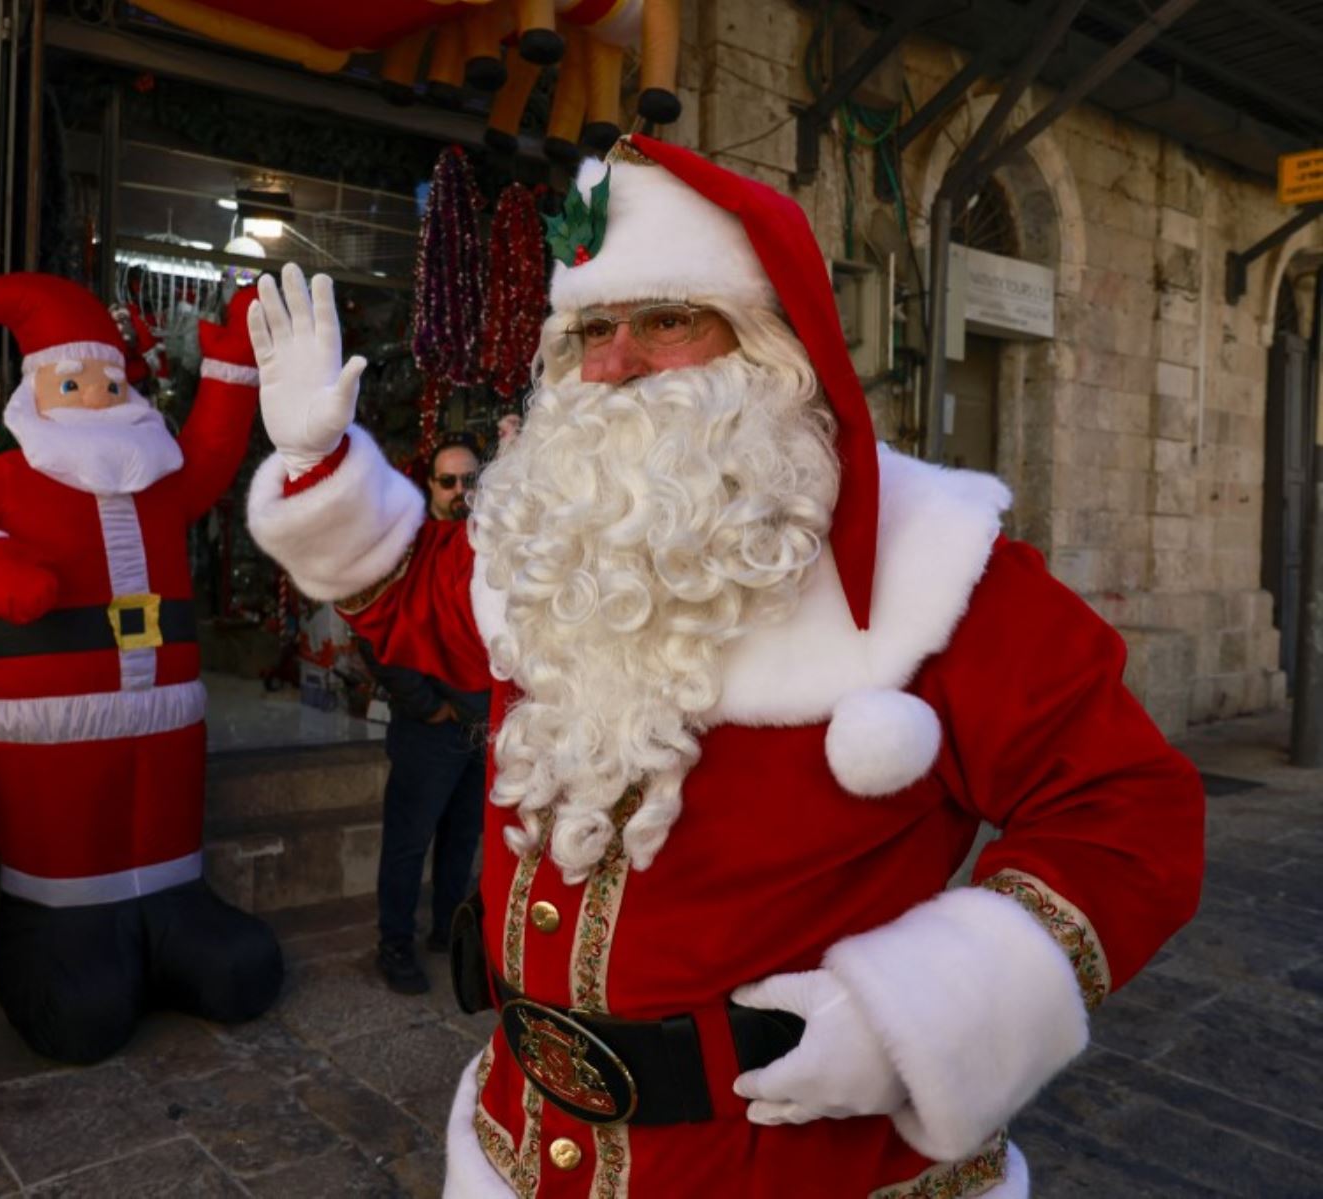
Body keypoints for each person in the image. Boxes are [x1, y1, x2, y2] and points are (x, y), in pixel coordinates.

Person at [243, 136, 1203, 1197]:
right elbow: (421, 602)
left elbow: (1132, 812)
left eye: (665, 321)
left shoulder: (941, 569)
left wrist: (913, 1014)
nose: (613, 364)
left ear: (768, 347)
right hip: (525, 1144)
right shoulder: (557, 537)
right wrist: (316, 463)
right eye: (592, 329)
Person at [0, 272, 283, 1065]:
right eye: (71, 382)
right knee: (72, 844)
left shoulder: (155, 477)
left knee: (165, 818)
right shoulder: (11, 477)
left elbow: (212, 456)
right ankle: (64, 934)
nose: (94, 397)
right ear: (33, 394)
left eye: (108, 382)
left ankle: (175, 914)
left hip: (165, 713)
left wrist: (231, 368)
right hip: (52, 718)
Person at [363, 436, 490, 995]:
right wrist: (426, 705)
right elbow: (375, 632)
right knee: (409, 841)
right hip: (430, 726)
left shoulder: (490, 544)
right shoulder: (404, 548)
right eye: (449, 481)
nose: (460, 492)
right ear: (430, 485)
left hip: (480, 724)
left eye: (470, 481)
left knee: (463, 839)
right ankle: (395, 944)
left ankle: (447, 931)